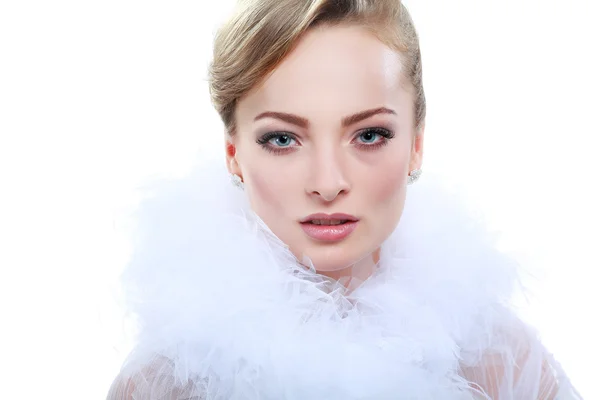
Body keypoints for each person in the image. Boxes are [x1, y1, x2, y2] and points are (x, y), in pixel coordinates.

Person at [107, 0, 581, 398]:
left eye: (369, 134)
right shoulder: (171, 375)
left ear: (416, 144)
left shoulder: (492, 356)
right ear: (233, 153)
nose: (328, 182)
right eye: (282, 139)